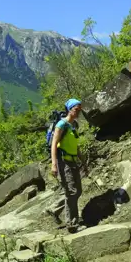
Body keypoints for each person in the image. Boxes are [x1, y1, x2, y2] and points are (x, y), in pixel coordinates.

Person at [50, 98, 86, 233]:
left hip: (72, 161)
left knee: (78, 191)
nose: (78, 113)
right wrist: (54, 164)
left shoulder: (73, 125)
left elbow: (76, 146)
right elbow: (54, 144)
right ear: (69, 110)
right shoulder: (61, 124)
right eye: (76, 110)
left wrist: (83, 162)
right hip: (63, 161)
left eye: (79, 110)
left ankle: (71, 218)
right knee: (71, 192)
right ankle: (72, 224)